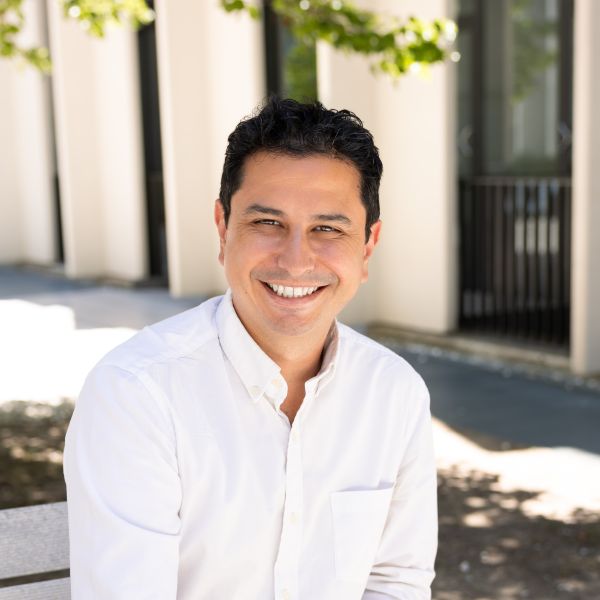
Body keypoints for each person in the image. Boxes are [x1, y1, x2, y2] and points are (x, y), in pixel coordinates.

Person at [64, 97, 438, 599]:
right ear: (223, 230)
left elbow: (395, 582)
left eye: (328, 229)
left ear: (367, 246)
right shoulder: (137, 396)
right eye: (268, 223)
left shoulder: (395, 393)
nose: (296, 261)